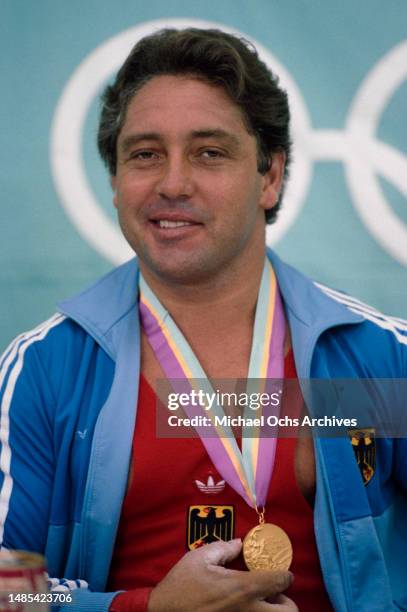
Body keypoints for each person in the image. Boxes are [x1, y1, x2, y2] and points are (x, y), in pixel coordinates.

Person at [0, 27, 406, 612]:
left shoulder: (378, 357)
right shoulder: (45, 368)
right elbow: (11, 592)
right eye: (144, 155)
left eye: (209, 152)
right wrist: (145, 609)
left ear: (269, 176)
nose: (172, 183)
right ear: (114, 182)